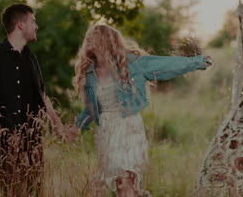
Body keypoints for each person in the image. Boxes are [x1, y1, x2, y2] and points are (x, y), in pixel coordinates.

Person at [73, 24, 212, 196]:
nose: (88, 40)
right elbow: (91, 108)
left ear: (106, 40)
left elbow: (166, 65)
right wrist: (77, 127)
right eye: (88, 37)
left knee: (126, 181)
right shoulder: (89, 72)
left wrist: (197, 62)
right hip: (105, 133)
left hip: (128, 127)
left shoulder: (132, 63)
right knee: (117, 185)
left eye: (94, 36)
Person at [0, 3, 78, 196]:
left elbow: (43, 96)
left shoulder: (32, 59)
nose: (36, 26)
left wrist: (58, 125)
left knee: (34, 191)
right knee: (12, 192)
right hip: (2, 139)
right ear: (21, 25)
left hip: (32, 139)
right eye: (33, 21)